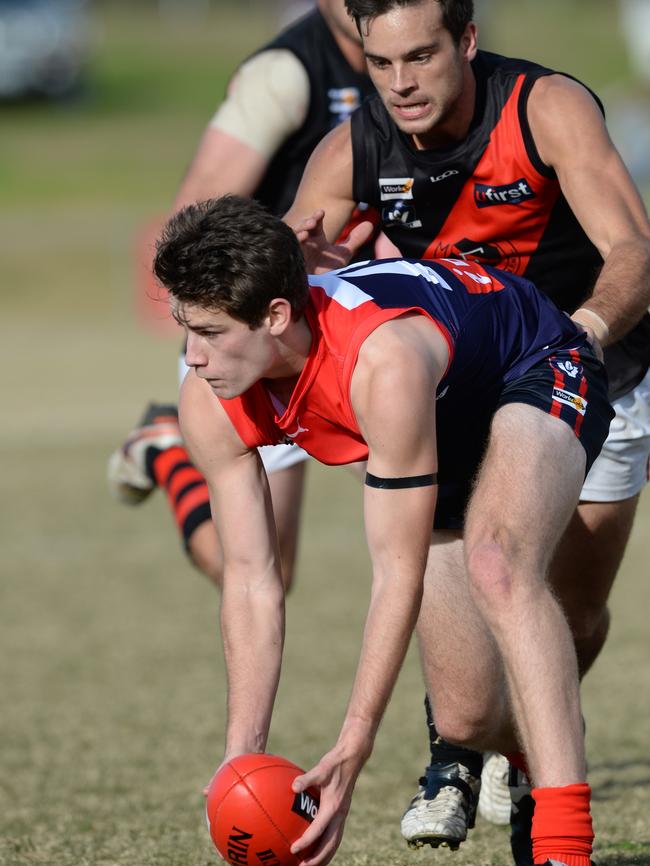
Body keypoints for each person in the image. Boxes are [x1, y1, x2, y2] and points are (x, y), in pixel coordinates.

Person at [283, 0, 650, 857]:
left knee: (578, 610)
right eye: (381, 65)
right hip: (465, 398)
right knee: (468, 697)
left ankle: (525, 759)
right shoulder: (353, 151)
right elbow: (293, 270)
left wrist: (582, 335)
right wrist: (315, 264)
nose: (402, 85)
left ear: (468, 42)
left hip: (596, 369)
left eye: (421, 57)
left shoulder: (543, 107)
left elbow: (633, 251)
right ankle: (465, 747)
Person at [153, 194, 613, 866]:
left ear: (276, 315)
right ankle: (521, 750)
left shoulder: (379, 361)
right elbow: (252, 581)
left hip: (534, 363)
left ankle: (563, 846)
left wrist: (355, 741)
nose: (192, 357)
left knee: (497, 564)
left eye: (212, 334)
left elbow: (396, 573)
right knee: (465, 720)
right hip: (435, 424)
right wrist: (240, 757)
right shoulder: (208, 397)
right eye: (183, 328)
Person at [108, 0, 375, 590]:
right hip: (263, 334)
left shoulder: (416, 61)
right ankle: (166, 450)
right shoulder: (286, 73)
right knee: (260, 574)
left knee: (440, 510)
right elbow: (194, 210)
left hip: (354, 328)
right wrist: (279, 253)